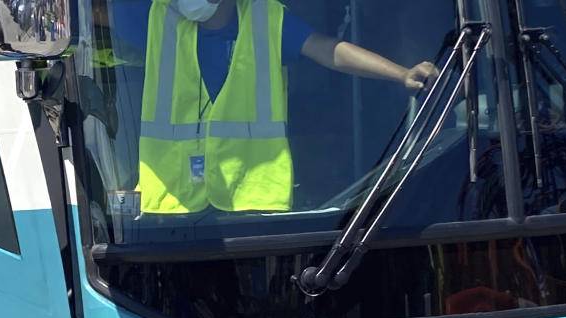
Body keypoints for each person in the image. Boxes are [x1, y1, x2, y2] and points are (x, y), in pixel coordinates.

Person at [126, 0, 438, 213]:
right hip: (171, 212)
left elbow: (329, 50)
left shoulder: (267, 19)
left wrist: (402, 74)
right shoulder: (153, 16)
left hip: (253, 208)